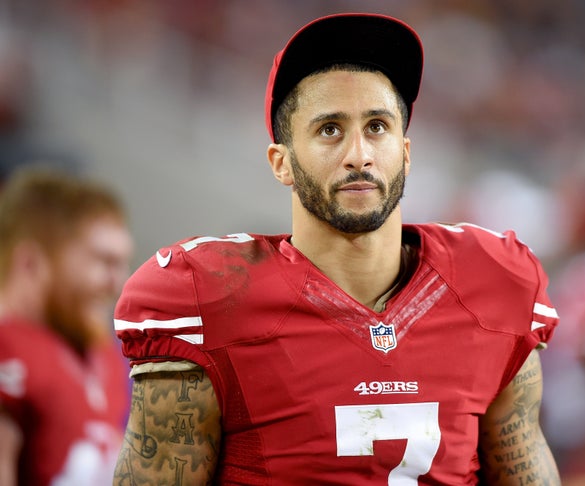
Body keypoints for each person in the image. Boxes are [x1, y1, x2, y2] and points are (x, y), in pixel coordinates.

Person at [112, 13, 560, 485]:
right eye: (330, 129)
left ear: (406, 152)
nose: (359, 154)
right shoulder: (209, 298)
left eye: (377, 126)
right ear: (281, 163)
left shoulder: (491, 284)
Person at [0, 167, 133, 486]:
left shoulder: (102, 356)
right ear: (31, 263)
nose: (119, 283)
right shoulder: (10, 350)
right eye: (104, 262)